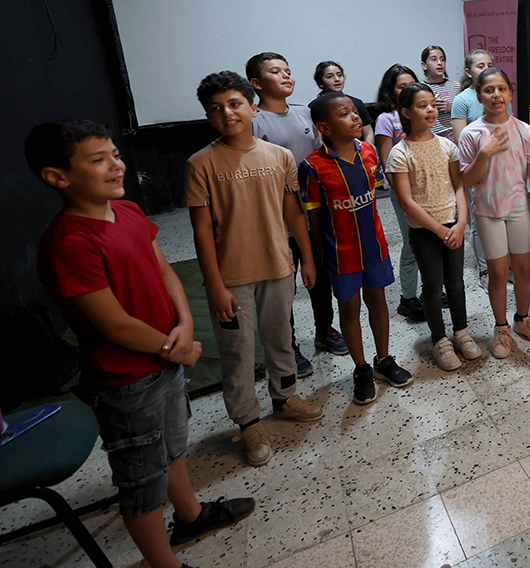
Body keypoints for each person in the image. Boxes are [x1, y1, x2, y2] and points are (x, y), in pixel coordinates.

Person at [29, 120, 255, 568]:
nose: (117, 165)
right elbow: (113, 324)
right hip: (127, 381)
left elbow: (165, 270)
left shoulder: (128, 211)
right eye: (99, 160)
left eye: (116, 154)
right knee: (142, 483)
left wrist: (187, 321)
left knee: (171, 450)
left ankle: (190, 516)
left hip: (166, 361)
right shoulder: (69, 242)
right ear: (57, 177)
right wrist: (176, 347)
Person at [185, 71, 324, 465]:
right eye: (216, 109)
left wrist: (307, 259)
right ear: (209, 117)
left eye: (234, 104)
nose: (227, 113)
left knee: (280, 339)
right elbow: (201, 232)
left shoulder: (278, 156)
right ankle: (248, 423)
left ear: (253, 107)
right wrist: (214, 286)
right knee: (237, 353)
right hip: (232, 278)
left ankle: (284, 398)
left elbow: (294, 215)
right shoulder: (201, 164)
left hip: (279, 267)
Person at [299, 92, 412, 402]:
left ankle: (383, 360)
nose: (355, 117)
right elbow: (313, 217)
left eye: (354, 111)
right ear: (324, 126)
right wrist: (318, 258)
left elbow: (374, 199)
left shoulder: (370, 153)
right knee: (349, 310)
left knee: (378, 301)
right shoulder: (312, 166)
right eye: (344, 114)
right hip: (341, 254)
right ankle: (361, 368)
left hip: (374, 248)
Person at [246, 52, 346, 375]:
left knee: (320, 278)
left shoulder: (306, 114)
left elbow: (321, 159)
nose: (286, 76)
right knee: (284, 285)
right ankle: (288, 343)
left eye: (288, 70)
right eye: (276, 72)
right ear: (257, 84)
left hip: (314, 215)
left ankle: (324, 329)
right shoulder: (253, 121)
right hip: (276, 219)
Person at [459, 67, 530, 358]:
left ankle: (522, 320)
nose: (496, 95)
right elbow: (467, 180)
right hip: (488, 213)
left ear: (510, 92)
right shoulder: (471, 133)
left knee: (523, 269)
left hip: (518, 210)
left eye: (502, 89)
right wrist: (485, 152)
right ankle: (501, 326)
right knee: (498, 273)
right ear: (479, 95)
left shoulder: (524, 131)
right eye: (489, 90)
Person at [386, 82, 481, 370]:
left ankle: (461, 331)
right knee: (432, 286)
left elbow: (459, 186)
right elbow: (406, 202)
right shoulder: (400, 153)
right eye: (421, 105)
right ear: (405, 111)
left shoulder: (447, 145)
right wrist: (440, 230)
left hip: (454, 225)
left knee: (456, 284)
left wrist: (462, 222)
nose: (430, 110)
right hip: (426, 231)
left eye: (432, 104)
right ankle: (439, 339)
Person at [375, 64, 425, 322]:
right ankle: (408, 298)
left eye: (411, 84)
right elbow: (387, 162)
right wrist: (403, 196)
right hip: (404, 192)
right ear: (392, 91)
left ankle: (431, 291)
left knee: (430, 241)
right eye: (401, 86)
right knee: (412, 242)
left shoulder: (421, 114)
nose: (407, 90)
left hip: (429, 190)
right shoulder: (387, 119)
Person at [450, 48, 497, 289]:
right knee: (479, 221)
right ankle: (485, 270)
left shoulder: (498, 95)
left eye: (490, 64)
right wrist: (483, 158)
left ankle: (500, 265)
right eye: (481, 65)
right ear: (469, 72)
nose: (487, 68)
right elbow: (461, 141)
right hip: (475, 168)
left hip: (499, 169)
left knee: (501, 216)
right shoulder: (462, 100)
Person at [313, 60, 375, 145]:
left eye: (339, 75)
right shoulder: (315, 107)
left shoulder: (356, 102)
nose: (337, 79)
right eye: (330, 76)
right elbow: (318, 138)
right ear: (320, 83)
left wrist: (366, 151)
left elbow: (368, 133)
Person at [421, 45, 460, 141]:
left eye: (442, 59)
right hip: (431, 136)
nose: (439, 63)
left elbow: (466, 112)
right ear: (424, 65)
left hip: (453, 135)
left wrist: (451, 107)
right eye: (434, 60)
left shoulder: (455, 86)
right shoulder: (421, 89)